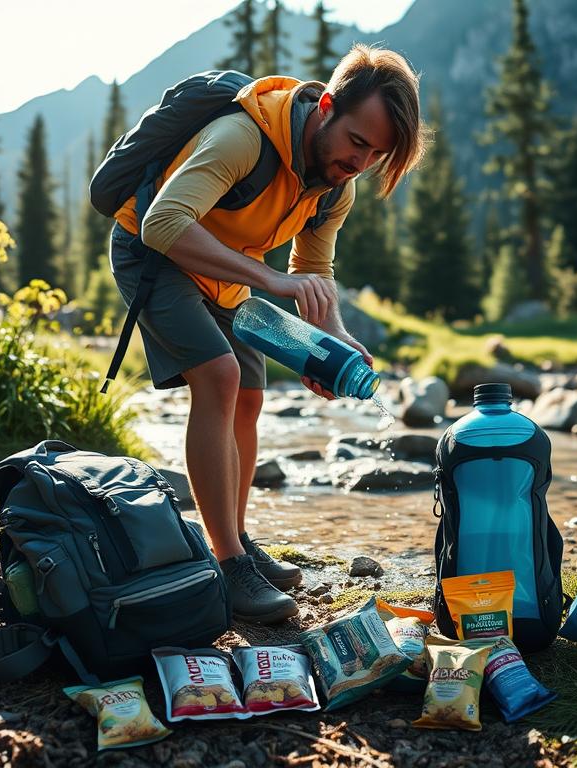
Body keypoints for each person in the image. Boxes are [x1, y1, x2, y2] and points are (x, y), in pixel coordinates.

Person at [108, 45, 426, 625]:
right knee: (219, 375)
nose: (362, 160)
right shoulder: (242, 138)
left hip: (224, 270)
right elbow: (162, 223)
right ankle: (228, 569)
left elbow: (314, 272)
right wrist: (265, 277)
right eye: (358, 141)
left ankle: (234, 538)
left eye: (377, 153)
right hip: (152, 253)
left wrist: (330, 340)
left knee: (250, 398)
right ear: (327, 106)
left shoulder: (335, 185)